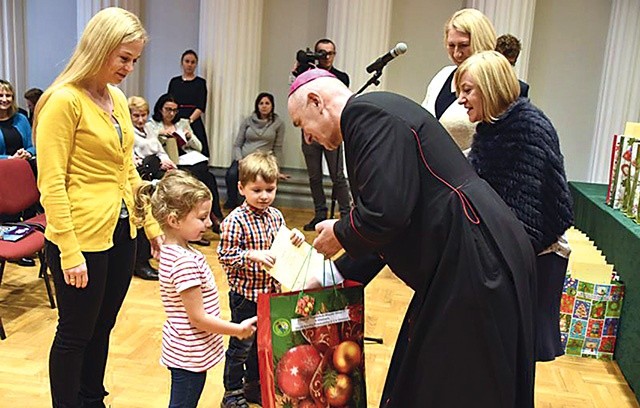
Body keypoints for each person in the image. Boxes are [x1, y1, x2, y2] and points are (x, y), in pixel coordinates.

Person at [288, 69, 536, 407]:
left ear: (317, 102)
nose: (308, 138)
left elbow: (385, 213)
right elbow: (392, 225)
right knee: (444, 377)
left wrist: (341, 233)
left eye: (302, 125)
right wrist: (333, 274)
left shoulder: (363, 115)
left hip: (472, 260)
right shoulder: (374, 113)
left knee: (457, 386)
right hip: (472, 254)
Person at [33, 7, 163, 407]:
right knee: (75, 333)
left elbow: (127, 169)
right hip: (80, 239)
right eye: (123, 57)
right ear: (99, 47)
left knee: (103, 325)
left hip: (121, 233)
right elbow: (51, 183)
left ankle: (92, 399)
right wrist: (69, 253)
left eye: (135, 60)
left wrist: (152, 228)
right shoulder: (63, 101)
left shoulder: (117, 98)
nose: (129, 67)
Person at [456, 50, 573, 361]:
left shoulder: (527, 128)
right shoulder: (494, 128)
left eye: (467, 90)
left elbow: (531, 219)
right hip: (512, 260)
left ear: (491, 86)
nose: (461, 100)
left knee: (513, 362)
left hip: (531, 263)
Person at [134, 170, 257, 408]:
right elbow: (198, 318)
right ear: (174, 220)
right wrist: (237, 330)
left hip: (186, 349)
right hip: (188, 354)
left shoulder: (174, 250)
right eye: (202, 218)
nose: (210, 223)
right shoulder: (183, 262)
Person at [218, 151, 305, 408]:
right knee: (240, 347)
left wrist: (296, 237)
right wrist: (251, 255)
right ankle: (232, 393)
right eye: (256, 190)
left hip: (270, 293)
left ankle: (252, 386)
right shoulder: (235, 221)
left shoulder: (276, 216)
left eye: (270, 189)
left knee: (262, 345)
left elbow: (283, 245)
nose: (264, 196)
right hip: (245, 296)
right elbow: (225, 256)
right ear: (241, 188)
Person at [146, 93, 222, 240]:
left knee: (208, 176)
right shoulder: (152, 125)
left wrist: (189, 137)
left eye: (175, 110)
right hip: (170, 161)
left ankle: (213, 215)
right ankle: (201, 221)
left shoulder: (183, 123)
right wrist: (160, 134)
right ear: (160, 109)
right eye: (168, 109)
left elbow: (199, 147)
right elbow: (150, 146)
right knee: (197, 177)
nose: (171, 113)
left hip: (186, 158)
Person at [421, 8, 497, 151]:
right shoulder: (442, 76)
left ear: (481, 41)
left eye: (463, 45)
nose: (457, 53)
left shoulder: (493, 84)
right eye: (451, 45)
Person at [297, 38, 351, 231]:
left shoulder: (341, 77)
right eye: (322, 52)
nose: (326, 56)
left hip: (331, 133)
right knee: (314, 177)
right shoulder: (306, 75)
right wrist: (298, 70)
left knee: (338, 176)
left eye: (330, 53)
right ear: (316, 54)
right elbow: (298, 101)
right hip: (310, 132)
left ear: (334, 55)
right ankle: (320, 214)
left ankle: (346, 214)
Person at [128, 95, 176, 280]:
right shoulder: (127, 132)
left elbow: (160, 151)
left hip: (155, 172)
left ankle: (167, 245)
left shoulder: (149, 128)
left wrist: (167, 162)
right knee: (144, 205)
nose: (140, 120)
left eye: (143, 115)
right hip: (139, 176)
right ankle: (141, 261)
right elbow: (134, 161)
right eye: (136, 116)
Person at [224, 92, 288, 209]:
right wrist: (239, 160)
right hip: (244, 159)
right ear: (257, 106)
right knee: (232, 174)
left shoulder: (278, 123)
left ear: (272, 106)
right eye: (261, 103)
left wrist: (277, 169)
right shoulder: (248, 121)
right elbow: (237, 144)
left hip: (263, 161)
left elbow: (278, 148)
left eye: (267, 103)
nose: (264, 106)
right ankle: (232, 201)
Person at [168, 49, 210, 157]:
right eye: (187, 61)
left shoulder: (200, 83)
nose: (189, 65)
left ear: (196, 64)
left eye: (193, 62)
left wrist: (189, 121)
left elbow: (200, 106)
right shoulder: (174, 82)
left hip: (193, 120)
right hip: (176, 118)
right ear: (182, 63)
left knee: (199, 149)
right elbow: (169, 102)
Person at [0, 79, 34, 161]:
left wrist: (28, 153)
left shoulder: (21, 119)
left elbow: (32, 145)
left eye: (8, 95)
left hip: (23, 166)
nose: (4, 100)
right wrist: (10, 158)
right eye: (0, 95)